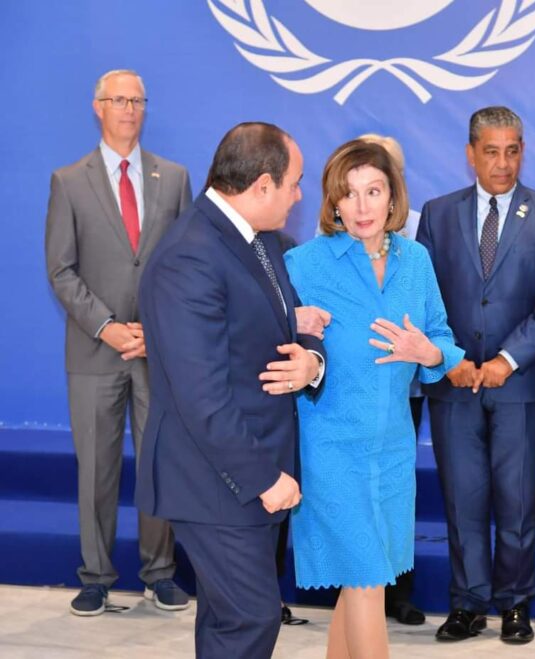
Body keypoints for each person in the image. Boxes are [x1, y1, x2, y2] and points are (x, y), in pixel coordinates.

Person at [136, 122, 325, 658]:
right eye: (294, 183)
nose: (299, 196)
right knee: (250, 618)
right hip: (216, 480)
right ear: (262, 185)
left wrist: (311, 358)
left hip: (247, 471)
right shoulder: (189, 256)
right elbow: (201, 397)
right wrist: (263, 477)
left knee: (229, 621)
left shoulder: (260, 240)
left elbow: (295, 322)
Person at [285, 139, 464, 659]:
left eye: (374, 190)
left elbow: (443, 338)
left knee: (362, 578)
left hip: (392, 450)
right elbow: (260, 335)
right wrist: (291, 324)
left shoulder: (416, 260)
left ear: (393, 197)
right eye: (349, 193)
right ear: (333, 202)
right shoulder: (305, 263)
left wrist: (428, 353)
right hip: (330, 447)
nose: (362, 206)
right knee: (366, 579)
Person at [416, 106, 535, 644]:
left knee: (517, 499)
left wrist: (507, 359)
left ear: (522, 151)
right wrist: (451, 358)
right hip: (454, 381)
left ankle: (515, 604)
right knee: (462, 499)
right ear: (470, 154)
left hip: (521, 384)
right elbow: (424, 297)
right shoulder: (437, 214)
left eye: (512, 151)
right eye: (491, 151)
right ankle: (467, 603)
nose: (503, 163)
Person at [45, 69, 192, 616]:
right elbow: (61, 270)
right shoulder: (68, 181)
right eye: (118, 99)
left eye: (137, 100)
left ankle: (160, 573)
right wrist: (107, 325)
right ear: (98, 107)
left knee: (160, 462)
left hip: (158, 349)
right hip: (94, 350)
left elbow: (186, 265)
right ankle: (96, 577)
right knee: (96, 470)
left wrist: (158, 328)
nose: (129, 109)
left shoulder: (173, 178)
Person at [358, 133, 425, 626]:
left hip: (406, 385)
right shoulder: (330, 238)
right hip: (350, 386)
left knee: (396, 490)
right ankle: (356, 584)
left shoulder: (421, 232)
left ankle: (398, 592)